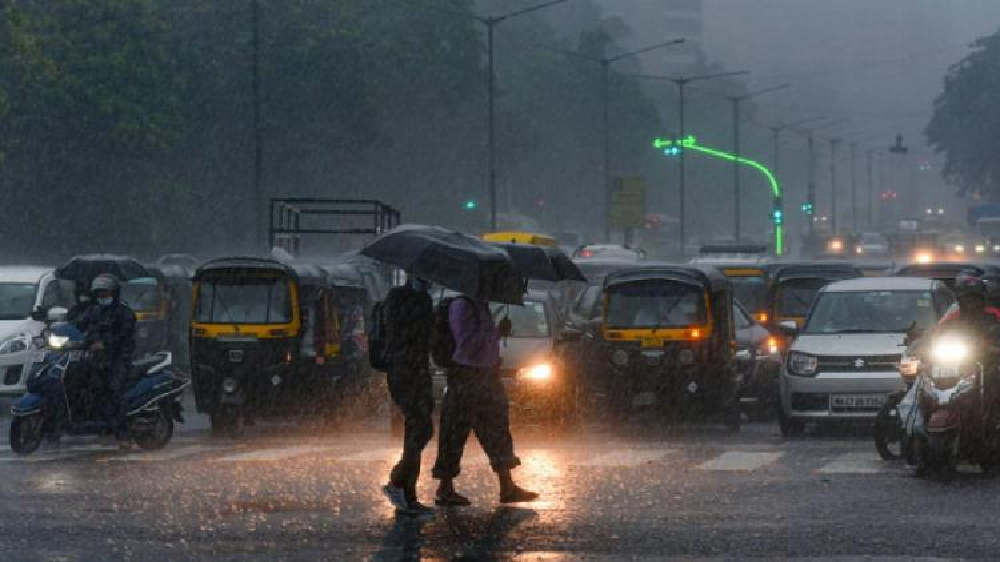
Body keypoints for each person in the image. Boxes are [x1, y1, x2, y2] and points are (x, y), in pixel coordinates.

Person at [432, 295, 538, 506]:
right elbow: (466, 343)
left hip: (487, 375)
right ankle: (445, 487)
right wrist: (495, 334)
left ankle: (507, 486)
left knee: (496, 429)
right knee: (455, 431)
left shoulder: (481, 305)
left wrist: (498, 333)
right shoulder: (461, 306)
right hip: (467, 375)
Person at [380, 276, 435, 514]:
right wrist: (424, 317)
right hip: (404, 370)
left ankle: (405, 488)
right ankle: (400, 485)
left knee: (419, 429)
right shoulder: (398, 298)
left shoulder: (423, 300)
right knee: (419, 427)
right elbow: (402, 332)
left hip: (418, 370)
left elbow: (428, 339)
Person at [75, 274, 137, 450]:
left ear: (115, 293)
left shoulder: (124, 313)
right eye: (100, 294)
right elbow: (78, 324)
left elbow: (124, 336)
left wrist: (105, 344)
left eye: (106, 293)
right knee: (80, 382)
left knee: (113, 391)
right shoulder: (94, 311)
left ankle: (123, 434)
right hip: (96, 358)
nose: (103, 297)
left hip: (118, 359)